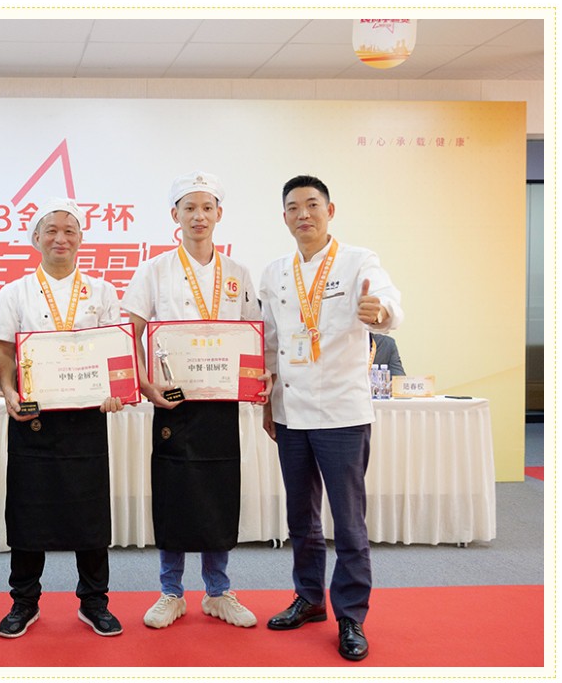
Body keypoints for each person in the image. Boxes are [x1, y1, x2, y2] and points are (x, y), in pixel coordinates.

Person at [259, 175, 403, 662]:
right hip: (290, 412)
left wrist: (379, 312)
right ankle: (308, 598)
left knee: (348, 521)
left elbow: (390, 305)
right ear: (284, 217)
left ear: (330, 210)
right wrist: (267, 403)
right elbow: (270, 344)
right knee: (301, 517)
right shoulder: (275, 272)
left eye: (312, 204)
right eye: (293, 207)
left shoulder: (359, 260)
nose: (303, 214)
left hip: (342, 412)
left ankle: (351, 615)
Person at [121, 171, 269, 631]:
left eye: (207, 207)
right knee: (173, 496)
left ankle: (218, 592)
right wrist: (145, 384)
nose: (198, 216)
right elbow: (129, 332)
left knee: (219, 494)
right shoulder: (154, 270)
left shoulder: (238, 273)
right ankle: (170, 592)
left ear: (219, 214)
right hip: (173, 403)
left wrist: (256, 382)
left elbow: (253, 336)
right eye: (189, 208)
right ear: (175, 215)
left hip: (221, 404)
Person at [0, 198, 125, 639]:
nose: (60, 238)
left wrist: (117, 392)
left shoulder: (103, 292)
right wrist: (8, 390)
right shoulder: (14, 292)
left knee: (90, 512)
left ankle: (94, 601)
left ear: (81, 239)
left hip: (86, 418)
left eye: (69, 230)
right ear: (35, 238)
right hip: (33, 418)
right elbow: (4, 353)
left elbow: (115, 352)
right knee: (28, 511)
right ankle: (24, 601)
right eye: (51, 230)